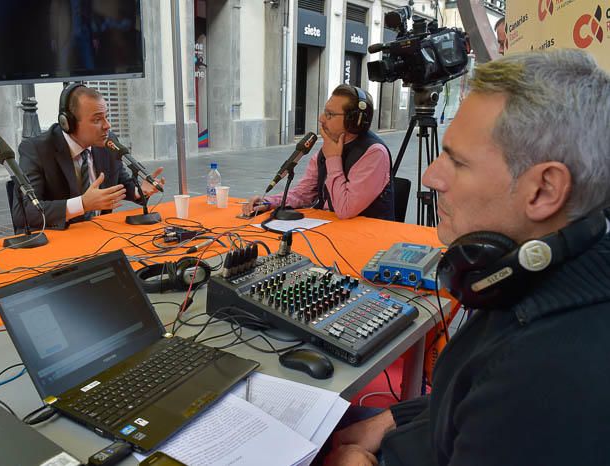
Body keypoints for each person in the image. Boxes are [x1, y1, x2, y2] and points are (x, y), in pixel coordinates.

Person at [321, 49, 610, 466]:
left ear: (544, 190)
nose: (430, 176)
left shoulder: (546, 379)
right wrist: (390, 418)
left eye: (456, 160)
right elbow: (465, 400)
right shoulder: (547, 265)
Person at [13, 84, 164, 230]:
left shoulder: (107, 142)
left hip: (99, 234)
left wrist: (140, 191)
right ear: (68, 123)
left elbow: (121, 183)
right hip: (59, 241)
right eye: (97, 120)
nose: (107, 125)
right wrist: (82, 204)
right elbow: (24, 212)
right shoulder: (36, 150)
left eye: (107, 117)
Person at [243, 85, 394, 220]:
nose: (321, 119)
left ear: (354, 121)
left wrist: (333, 159)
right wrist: (270, 202)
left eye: (330, 114)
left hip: (366, 238)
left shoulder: (374, 153)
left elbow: (345, 209)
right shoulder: (329, 147)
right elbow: (304, 193)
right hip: (330, 228)